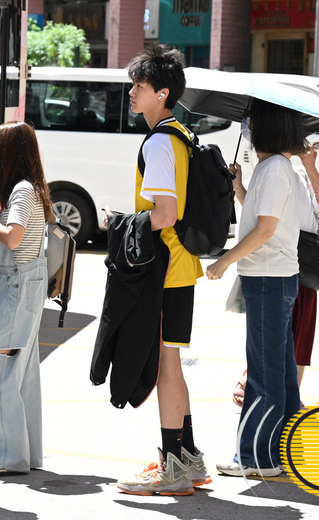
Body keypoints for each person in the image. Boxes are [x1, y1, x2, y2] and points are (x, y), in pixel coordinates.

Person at [114, 44, 207, 497]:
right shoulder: (181, 135)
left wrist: (123, 224)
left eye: (140, 85)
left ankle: (173, 469)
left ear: (162, 93)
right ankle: (188, 458)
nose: (132, 92)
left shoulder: (159, 142)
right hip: (182, 265)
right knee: (173, 361)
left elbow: (165, 213)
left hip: (165, 267)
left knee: (167, 364)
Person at [206, 101, 305, 477]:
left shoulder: (276, 168)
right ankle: (283, 449)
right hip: (272, 278)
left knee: (264, 373)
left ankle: (256, 458)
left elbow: (264, 231)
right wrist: (239, 187)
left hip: (268, 279)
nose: (247, 128)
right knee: (279, 371)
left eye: (252, 123)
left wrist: (223, 261)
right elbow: (262, 216)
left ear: (268, 128)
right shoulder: (273, 167)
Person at [231, 141, 319, 405]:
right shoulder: (266, 172)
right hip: (274, 261)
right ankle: (259, 384)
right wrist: (238, 186)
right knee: (269, 332)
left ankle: (291, 396)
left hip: (303, 262)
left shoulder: (297, 174)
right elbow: (259, 217)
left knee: (298, 334)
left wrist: (309, 165)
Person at [0, 121, 54, 475]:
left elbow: (13, 236)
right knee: (21, 375)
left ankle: (6, 456)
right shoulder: (33, 188)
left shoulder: (21, 192)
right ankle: (25, 453)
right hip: (26, 286)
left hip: (13, 288)